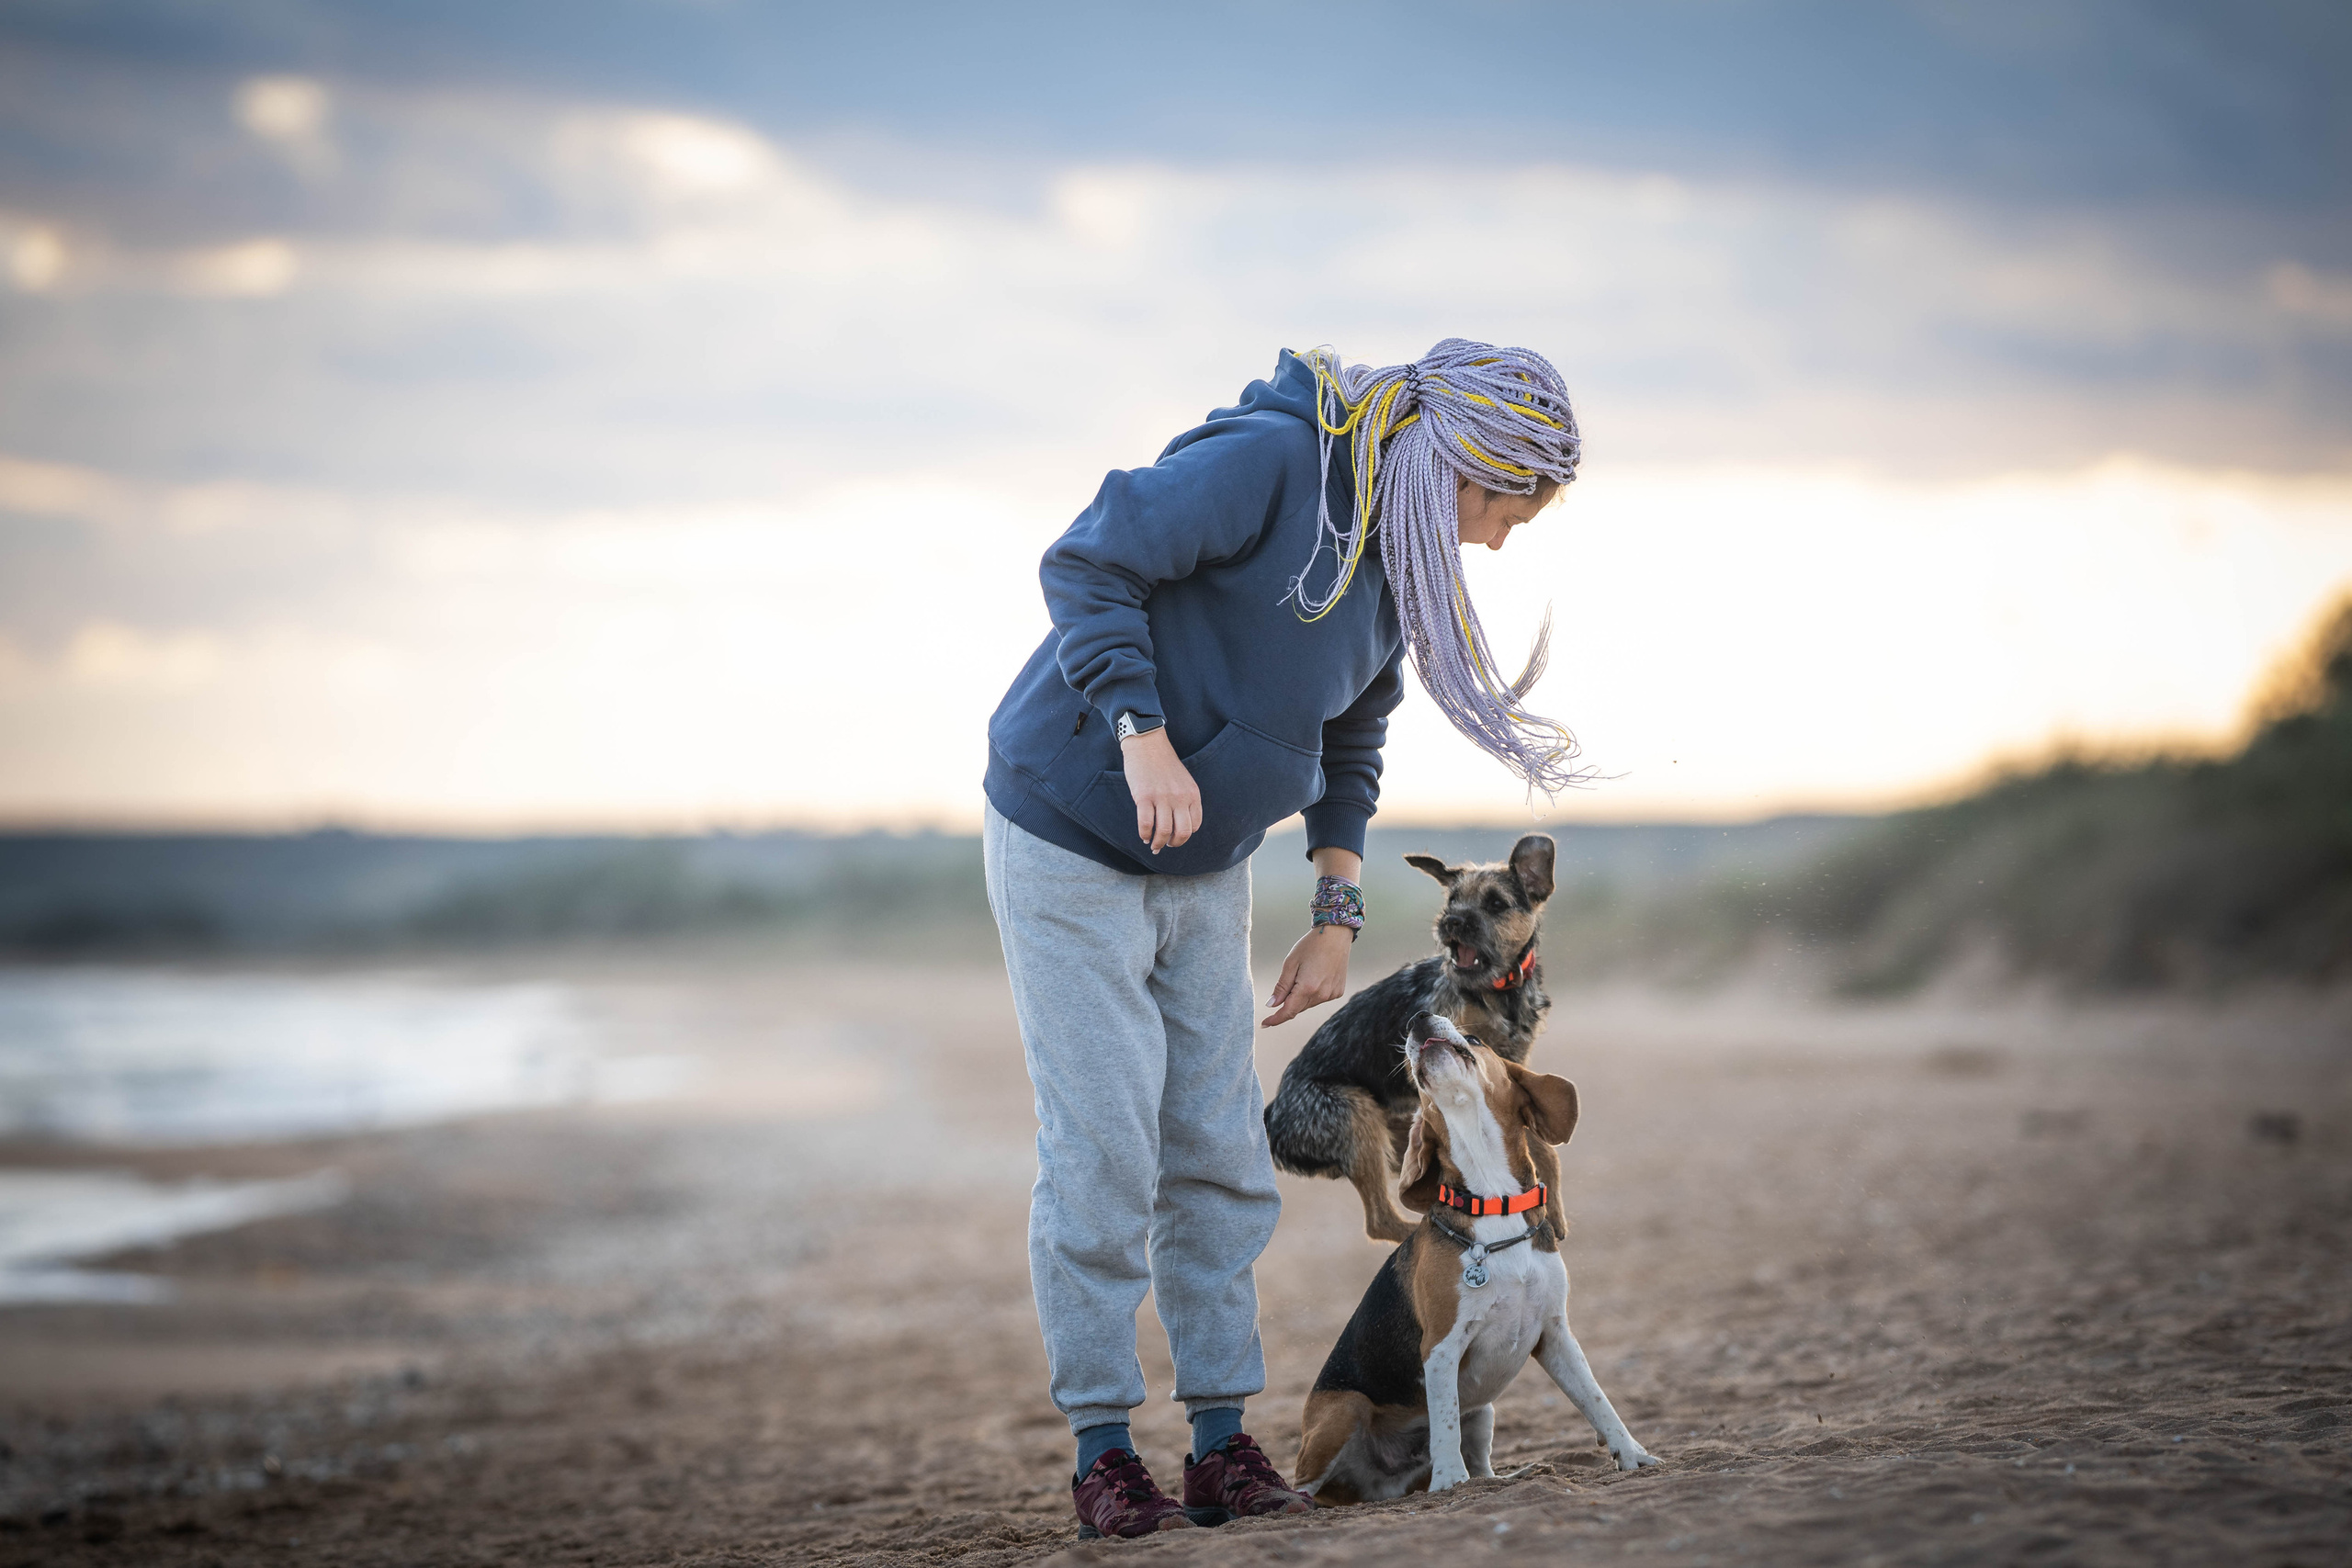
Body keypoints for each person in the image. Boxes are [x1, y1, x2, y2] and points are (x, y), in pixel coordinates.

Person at [981, 339, 1586, 1539]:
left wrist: (1334, 908)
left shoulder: (1392, 558)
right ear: (1454, 453)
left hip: (1203, 861)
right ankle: (1105, 1451)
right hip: (1067, 827)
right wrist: (1139, 731)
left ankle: (1218, 1445)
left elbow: (1354, 726)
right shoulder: (1271, 463)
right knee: (1105, 1145)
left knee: (1216, 1146)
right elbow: (1088, 559)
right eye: (1498, 504)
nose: (1497, 539)